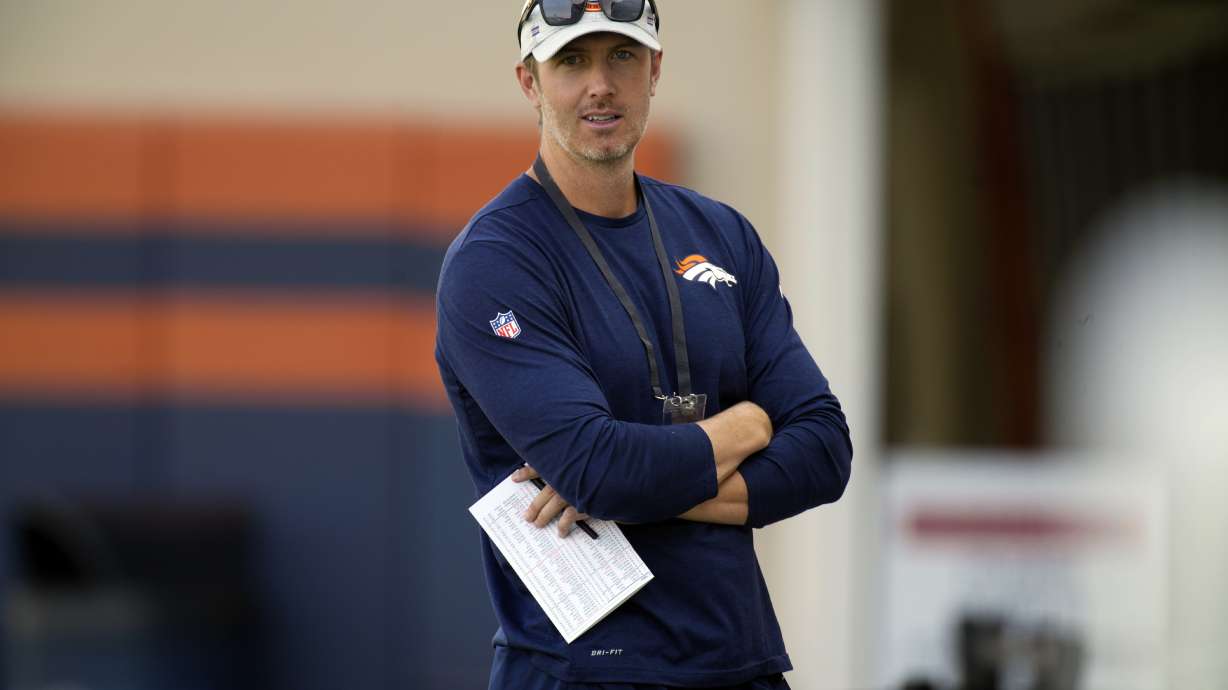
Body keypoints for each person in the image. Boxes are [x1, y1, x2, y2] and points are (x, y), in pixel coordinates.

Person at [434, 1, 853, 688]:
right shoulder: (496, 261)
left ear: (654, 70)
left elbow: (825, 451)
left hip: (740, 662)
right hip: (581, 670)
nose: (600, 84)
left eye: (621, 56)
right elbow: (598, 468)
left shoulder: (721, 235)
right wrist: (748, 424)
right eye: (571, 61)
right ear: (530, 83)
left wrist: (629, 483)